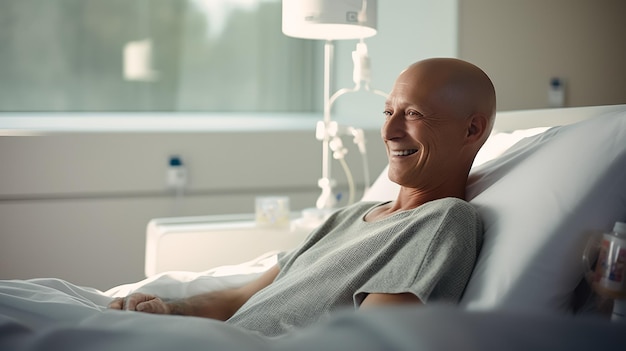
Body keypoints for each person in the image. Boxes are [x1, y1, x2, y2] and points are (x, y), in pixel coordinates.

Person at [109, 57, 497, 337]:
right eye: (387, 111)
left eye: (413, 114)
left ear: (471, 130)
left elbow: (361, 342)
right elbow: (242, 297)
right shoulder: (348, 218)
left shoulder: (444, 221)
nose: (389, 130)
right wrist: (167, 311)